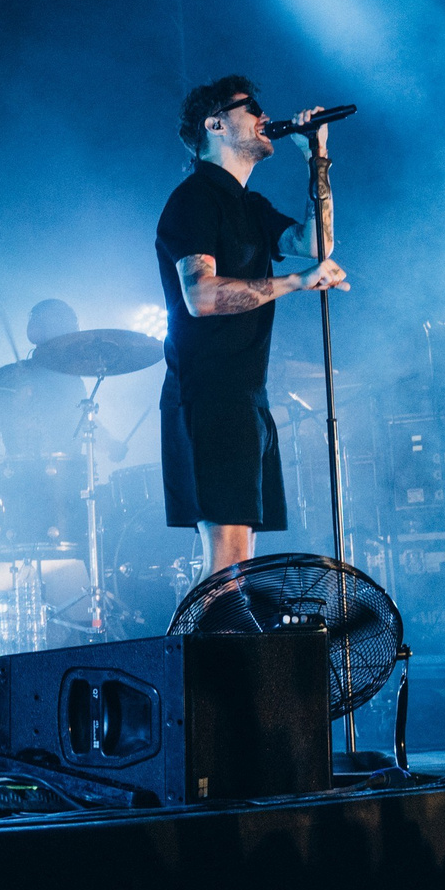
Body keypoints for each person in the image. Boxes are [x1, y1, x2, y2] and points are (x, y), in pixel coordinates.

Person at [154, 74, 349, 574]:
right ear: (215, 124)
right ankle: (207, 631)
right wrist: (295, 282)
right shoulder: (195, 199)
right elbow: (201, 296)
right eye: (252, 107)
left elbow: (318, 244)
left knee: (239, 566)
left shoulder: (250, 206)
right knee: (228, 564)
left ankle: (222, 629)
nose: (265, 117)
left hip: (247, 397)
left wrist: (317, 157)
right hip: (208, 396)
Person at [0, 298, 90, 459]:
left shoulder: (73, 382)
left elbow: (84, 421)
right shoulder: (13, 376)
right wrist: (12, 403)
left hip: (69, 472)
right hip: (21, 472)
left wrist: (111, 445)